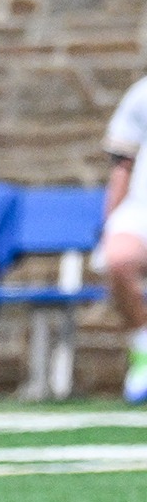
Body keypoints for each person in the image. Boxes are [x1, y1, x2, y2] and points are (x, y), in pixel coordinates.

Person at [99, 76, 147, 405]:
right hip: (142, 207)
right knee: (119, 258)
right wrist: (110, 224)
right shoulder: (142, 95)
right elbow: (122, 167)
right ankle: (144, 347)